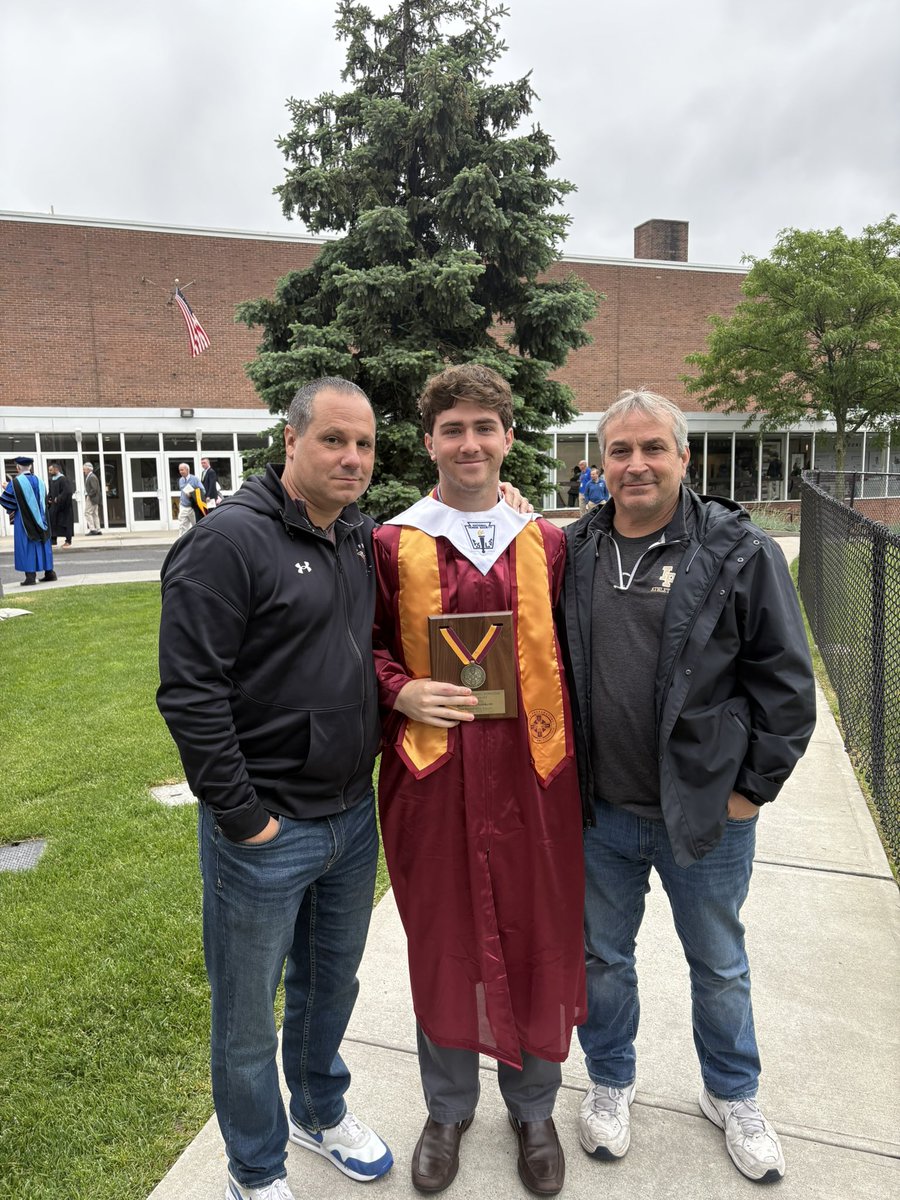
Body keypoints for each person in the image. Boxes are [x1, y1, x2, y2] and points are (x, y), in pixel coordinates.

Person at [562, 389, 816, 1185]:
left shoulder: (741, 553)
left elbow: (787, 687)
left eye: (652, 449)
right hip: (601, 812)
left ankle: (733, 1094)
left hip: (703, 811)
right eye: (620, 451)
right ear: (600, 466)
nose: (636, 464)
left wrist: (750, 792)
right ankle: (610, 1080)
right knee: (603, 960)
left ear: (683, 457)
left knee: (719, 962)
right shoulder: (574, 552)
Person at [157, 379, 394, 1200]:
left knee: (332, 986)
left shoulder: (358, 537)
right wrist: (242, 816)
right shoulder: (227, 542)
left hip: (349, 819)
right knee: (249, 1018)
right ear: (289, 441)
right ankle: (255, 1170)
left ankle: (319, 1113)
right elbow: (191, 693)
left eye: (364, 444)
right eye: (334, 440)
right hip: (265, 831)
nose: (353, 458)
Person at [372, 364, 586, 1197]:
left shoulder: (549, 542)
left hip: (536, 778)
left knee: (537, 932)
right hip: (434, 777)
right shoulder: (392, 544)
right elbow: (364, 648)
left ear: (508, 437)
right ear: (429, 441)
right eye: (452, 429)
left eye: (484, 427)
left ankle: (532, 1108)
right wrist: (400, 688)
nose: (470, 443)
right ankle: (449, 1107)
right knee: (445, 938)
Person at [1, 457, 58, 585]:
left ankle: (30, 577)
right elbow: (46, 502)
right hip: (43, 520)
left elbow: (8, 502)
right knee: (43, 543)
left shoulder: (16, 482)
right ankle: (49, 573)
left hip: (24, 520)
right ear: (30, 467)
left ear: (18, 468)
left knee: (28, 545)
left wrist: (6, 488)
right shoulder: (40, 481)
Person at [47, 462, 75, 547]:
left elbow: (67, 491)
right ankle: (53, 540)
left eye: (51, 470)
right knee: (53, 522)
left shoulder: (63, 479)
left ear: (56, 469)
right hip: (54, 506)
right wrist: (49, 498)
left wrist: (58, 498)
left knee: (65, 523)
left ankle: (68, 540)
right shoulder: (51, 479)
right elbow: (51, 491)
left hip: (64, 507)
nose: (49, 471)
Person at [176, 462, 205, 535]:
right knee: (182, 526)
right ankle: (182, 543)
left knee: (195, 525)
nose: (181, 472)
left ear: (187, 470)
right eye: (180, 470)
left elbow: (203, 490)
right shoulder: (180, 480)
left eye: (182, 470)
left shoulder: (195, 479)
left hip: (193, 507)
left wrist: (192, 494)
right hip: (183, 506)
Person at [82, 462, 103, 534]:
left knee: (87, 513)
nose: (83, 471)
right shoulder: (91, 476)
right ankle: (98, 529)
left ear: (88, 469)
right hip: (94, 498)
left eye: (84, 469)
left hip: (92, 498)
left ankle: (92, 529)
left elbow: (94, 489)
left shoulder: (92, 477)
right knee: (94, 514)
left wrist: (88, 495)